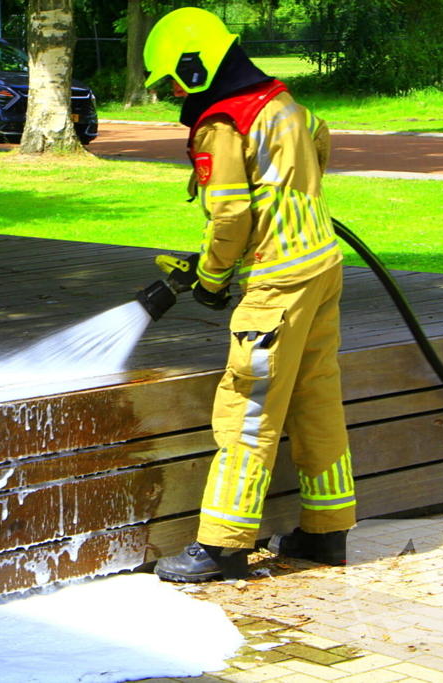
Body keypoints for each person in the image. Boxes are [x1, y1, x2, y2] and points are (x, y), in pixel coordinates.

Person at [143, 7, 356, 582]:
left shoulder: (223, 122)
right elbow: (320, 144)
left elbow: (232, 211)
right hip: (322, 265)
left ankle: (222, 546)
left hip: (277, 282)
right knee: (316, 398)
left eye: (171, 81)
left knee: (247, 407)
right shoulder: (283, 103)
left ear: (195, 67)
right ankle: (327, 532)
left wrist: (213, 277)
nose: (169, 93)